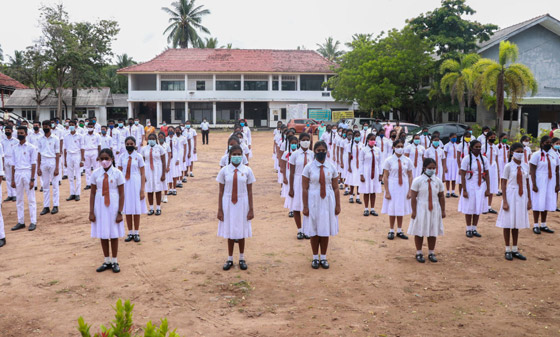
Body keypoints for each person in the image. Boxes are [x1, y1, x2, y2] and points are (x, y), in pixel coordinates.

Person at [302, 141, 341, 269]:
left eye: (323, 150)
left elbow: (336, 188)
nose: (321, 153)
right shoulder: (308, 167)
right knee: (314, 229)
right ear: (314, 152)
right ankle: (314, 257)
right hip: (313, 199)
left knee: (324, 229)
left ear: (326, 151)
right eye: (318, 150)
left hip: (327, 201)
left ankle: (323, 257)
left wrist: (338, 205)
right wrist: (305, 206)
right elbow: (304, 188)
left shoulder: (332, 167)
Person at [217, 144, 255, 271]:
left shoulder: (247, 171)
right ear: (229, 156)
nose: (236, 157)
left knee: (241, 230)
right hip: (228, 203)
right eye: (234, 154)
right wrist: (220, 209)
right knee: (230, 231)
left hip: (242, 202)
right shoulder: (224, 171)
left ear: (242, 156)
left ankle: (242, 258)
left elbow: (250, 191)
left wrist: (251, 208)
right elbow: (221, 191)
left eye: (239, 154)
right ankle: (230, 259)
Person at [89, 149, 125, 273]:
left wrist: (120, 212)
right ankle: (107, 260)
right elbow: (92, 193)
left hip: (113, 204)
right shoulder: (95, 173)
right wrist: (91, 211)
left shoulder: (117, 173)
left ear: (112, 159)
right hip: (99, 205)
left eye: (107, 158)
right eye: (101, 159)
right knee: (103, 233)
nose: (104, 161)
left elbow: (121, 193)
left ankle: (115, 260)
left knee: (113, 233)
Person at [496, 143, 530, 261]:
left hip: (522, 196)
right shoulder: (508, 166)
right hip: (511, 194)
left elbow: (527, 183)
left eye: (522, 152)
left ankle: (515, 249)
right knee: (508, 223)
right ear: (512, 152)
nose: (520, 154)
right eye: (518, 151)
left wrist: (529, 199)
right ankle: (507, 249)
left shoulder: (526, 166)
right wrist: (504, 200)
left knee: (517, 223)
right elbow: (504, 183)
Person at [409, 158, 446, 263]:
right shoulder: (418, 180)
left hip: (434, 208)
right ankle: (419, 252)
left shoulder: (437, 181)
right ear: (424, 168)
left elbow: (441, 196)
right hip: (421, 207)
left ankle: (431, 252)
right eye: (430, 168)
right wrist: (414, 211)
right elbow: (413, 197)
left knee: (432, 231)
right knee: (419, 230)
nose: (432, 170)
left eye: (434, 168)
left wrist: (443, 210)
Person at [382, 139, 413, 240]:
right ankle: (391, 230)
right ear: (394, 147)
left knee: (400, 207)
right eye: (398, 146)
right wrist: (387, 191)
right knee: (392, 208)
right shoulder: (389, 160)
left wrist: (410, 190)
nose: (400, 148)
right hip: (393, 184)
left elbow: (410, 175)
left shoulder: (407, 160)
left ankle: (399, 230)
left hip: (403, 185)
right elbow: (385, 176)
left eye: (401, 146)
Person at [458, 140, 490, 238]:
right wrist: (464, 190)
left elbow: (487, 174)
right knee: (469, 208)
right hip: (470, 185)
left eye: (480, 147)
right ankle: (468, 229)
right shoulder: (466, 159)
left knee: (478, 207)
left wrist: (488, 189)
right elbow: (462, 175)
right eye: (476, 147)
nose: (478, 149)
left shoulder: (484, 159)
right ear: (471, 148)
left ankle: (474, 228)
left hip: (480, 186)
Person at [118, 136, 147, 242]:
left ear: (135, 145)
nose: (129, 146)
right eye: (127, 144)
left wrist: (142, 190)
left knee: (136, 208)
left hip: (136, 183)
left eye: (131, 144)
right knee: (128, 209)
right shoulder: (122, 157)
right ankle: (130, 232)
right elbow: (119, 172)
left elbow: (143, 173)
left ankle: (136, 232)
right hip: (125, 184)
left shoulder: (138, 156)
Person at [10, 126, 38, 232]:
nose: (19, 134)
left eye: (21, 132)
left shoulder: (31, 147)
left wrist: (32, 179)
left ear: (26, 134)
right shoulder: (14, 148)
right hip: (17, 173)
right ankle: (20, 221)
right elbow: (13, 164)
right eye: (18, 133)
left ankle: (33, 221)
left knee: (31, 199)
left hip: (27, 172)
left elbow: (34, 164)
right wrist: (12, 179)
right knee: (19, 199)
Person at [529, 135, 559, 235]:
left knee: (546, 202)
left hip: (551, 180)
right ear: (542, 143)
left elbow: (557, 170)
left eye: (550, 142)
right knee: (538, 202)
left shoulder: (554, 154)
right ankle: (536, 225)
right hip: (540, 180)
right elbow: (532, 170)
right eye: (547, 142)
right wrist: (534, 184)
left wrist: (557, 184)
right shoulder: (536, 155)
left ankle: (543, 224)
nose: (549, 144)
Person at [288, 132, 313, 239]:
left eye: (308, 140)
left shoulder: (312, 154)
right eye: (303, 140)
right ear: (299, 141)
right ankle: (299, 230)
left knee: (309, 206)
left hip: (310, 182)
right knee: (297, 206)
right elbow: (291, 172)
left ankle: (307, 229)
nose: (305, 142)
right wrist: (291, 188)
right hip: (298, 181)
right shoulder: (295, 155)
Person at [37, 121, 61, 215]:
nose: (45, 128)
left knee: (55, 185)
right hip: (43, 161)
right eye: (43, 126)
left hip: (52, 161)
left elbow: (57, 153)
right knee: (45, 185)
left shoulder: (55, 138)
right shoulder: (40, 139)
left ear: (50, 127)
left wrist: (57, 167)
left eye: (46, 126)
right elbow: (38, 153)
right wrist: (38, 167)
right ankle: (46, 206)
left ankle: (55, 205)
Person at [141, 133, 166, 216]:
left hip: (157, 170)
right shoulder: (144, 149)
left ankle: (158, 208)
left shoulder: (160, 148)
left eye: (153, 138)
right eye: (150, 138)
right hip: (148, 170)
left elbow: (163, 162)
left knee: (158, 189)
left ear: (156, 139)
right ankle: (151, 208)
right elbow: (142, 163)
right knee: (149, 189)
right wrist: (143, 175)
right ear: (147, 140)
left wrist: (163, 174)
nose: (151, 140)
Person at [359, 133, 382, 216]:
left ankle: (372, 208)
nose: (373, 141)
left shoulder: (377, 150)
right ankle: (366, 209)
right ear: (368, 140)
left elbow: (380, 162)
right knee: (366, 190)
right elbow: (361, 162)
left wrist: (380, 174)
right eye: (371, 139)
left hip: (375, 172)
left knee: (373, 191)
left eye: (374, 139)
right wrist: (361, 174)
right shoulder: (363, 150)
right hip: (366, 172)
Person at [64, 121, 84, 202]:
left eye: (73, 125)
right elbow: (65, 148)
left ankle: (77, 193)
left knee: (78, 175)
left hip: (77, 155)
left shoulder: (80, 136)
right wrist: (65, 160)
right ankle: (72, 193)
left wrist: (82, 160)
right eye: (70, 125)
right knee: (70, 175)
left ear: (76, 126)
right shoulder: (66, 136)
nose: (71, 126)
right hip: (69, 155)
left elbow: (82, 148)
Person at [281, 135, 298, 217]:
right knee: (290, 191)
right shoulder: (286, 153)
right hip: (288, 173)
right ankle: (291, 209)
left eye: (295, 143)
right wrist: (284, 177)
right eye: (292, 143)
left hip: (297, 174)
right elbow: (283, 165)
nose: (294, 145)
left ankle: (297, 208)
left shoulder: (299, 153)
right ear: (289, 144)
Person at [482, 131, 499, 214]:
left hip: (493, 168)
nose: (493, 139)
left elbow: (496, 158)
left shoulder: (495, 147)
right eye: (491, 137)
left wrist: (498, 170)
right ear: (487, 138)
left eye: (494, 137)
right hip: (486, 168)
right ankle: (483, 206)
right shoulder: (483, 147)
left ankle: (489, 206)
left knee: (492, 186)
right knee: (485, 186)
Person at [83, 122, 102, 190]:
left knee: (96, 168)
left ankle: (96, 183)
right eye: (89, 126)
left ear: (94, 127)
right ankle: (88, 183)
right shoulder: (84, 136)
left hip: (94, 151)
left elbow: (99, 145)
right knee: (87, 168)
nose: (90, 128)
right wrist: (83, 155)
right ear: (87, 127)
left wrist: (99, 155)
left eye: (91, 126)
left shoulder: (97, 135)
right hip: (87, 151)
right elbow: (82, 145)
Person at [346, 130, 363, 204]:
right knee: (352, 181)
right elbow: (349, 157)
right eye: (356, 136)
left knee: (359, 181)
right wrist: (349, 166)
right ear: (353, 136)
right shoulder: (350, 145)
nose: (357, 137)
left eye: (358, 136)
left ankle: (358, 197)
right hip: (353, 164)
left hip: (360, 165)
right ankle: (351, 196)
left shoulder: (362, 145)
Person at [2, 125, 18, 202]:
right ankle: (10, 194)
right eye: (6, 130)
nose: (7, 132)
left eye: (9, 130)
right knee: (8, 178)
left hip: (13, 159)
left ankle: (15, 194)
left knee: (13, 177)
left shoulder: (15, 141)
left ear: (12, 131)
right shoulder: (2, 141)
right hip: (6, 159)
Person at [157, 132, 172, 203]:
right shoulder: (156, 146)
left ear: (164, 137)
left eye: (162, 137)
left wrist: (168, 166)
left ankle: (165, 196)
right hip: (158, 166)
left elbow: (169, 156)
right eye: (159, 137)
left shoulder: (167, 145)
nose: (160, 138)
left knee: (165, 181)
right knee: (158, 181)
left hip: (165, 166)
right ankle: (160, 196)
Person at [444, 133, 459, 197]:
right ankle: (447, 191)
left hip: (455, 162)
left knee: (454, 178)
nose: (454, 138)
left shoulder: (457, 145)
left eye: (455, 137)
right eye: (453, 137)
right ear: (450, 138)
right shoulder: (447, 145)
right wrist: (445, 166)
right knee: (448, 177)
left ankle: (453, 191)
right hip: (449, 162)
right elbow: (445, 156)